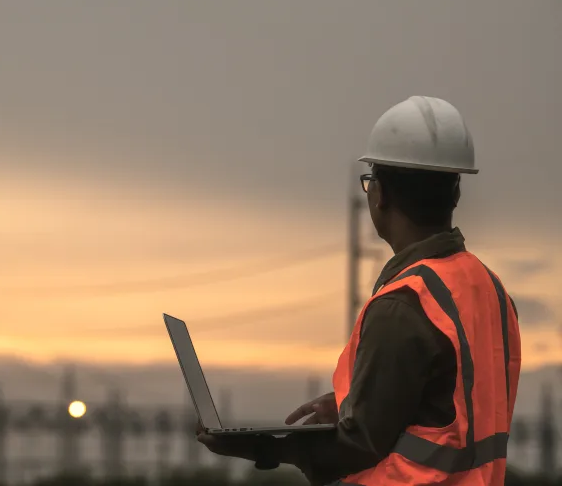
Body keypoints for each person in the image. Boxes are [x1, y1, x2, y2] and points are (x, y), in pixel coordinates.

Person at [197, 96, 522, 485]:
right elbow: (448, 409)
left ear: (378, 194)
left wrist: (263, 447)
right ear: (455, 194)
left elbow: (356, 446)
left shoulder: (405, 304)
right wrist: (352, 403)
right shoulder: (493, 292)